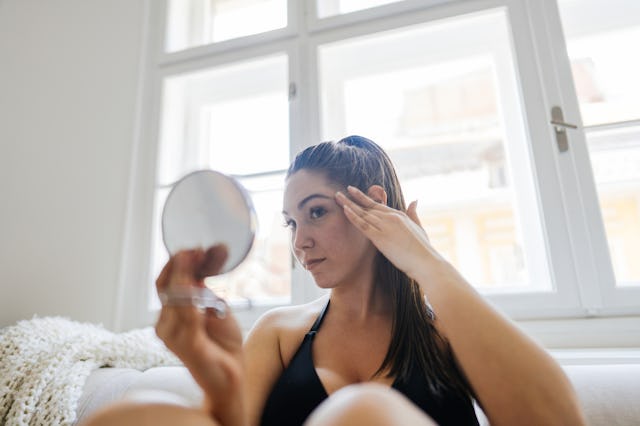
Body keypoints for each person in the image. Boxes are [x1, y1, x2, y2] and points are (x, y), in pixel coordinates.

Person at [84, 135, 586, 426]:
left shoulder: (447, 332)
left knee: (363, 411)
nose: (299, 241)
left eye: (316, 212)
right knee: (137, 415)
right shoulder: (280, 334)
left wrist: (426, 262)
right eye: (290, 222)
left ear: (374, 206)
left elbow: (558, 420)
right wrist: (219, 386)